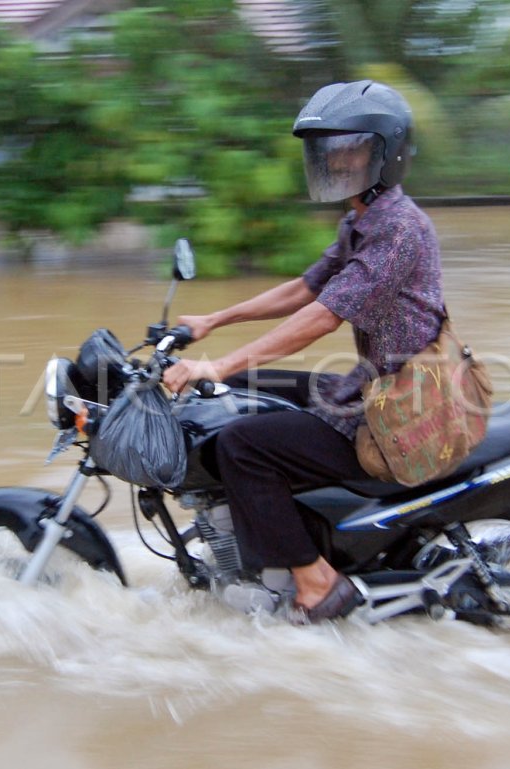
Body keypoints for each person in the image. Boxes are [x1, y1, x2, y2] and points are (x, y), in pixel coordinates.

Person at [162, 80, 445, 622]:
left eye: (352, 147)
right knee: (233, 392)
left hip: (397, 410)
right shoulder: (363, 220)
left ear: (388, 153)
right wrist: (214, 322)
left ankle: (317, 582)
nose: (337, 160)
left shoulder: (399, 230)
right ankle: (261, 533)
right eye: (329, 150)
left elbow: (321, 316)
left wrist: (219, 361)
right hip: (371, 382)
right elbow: (306, 288)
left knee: (242, 444)